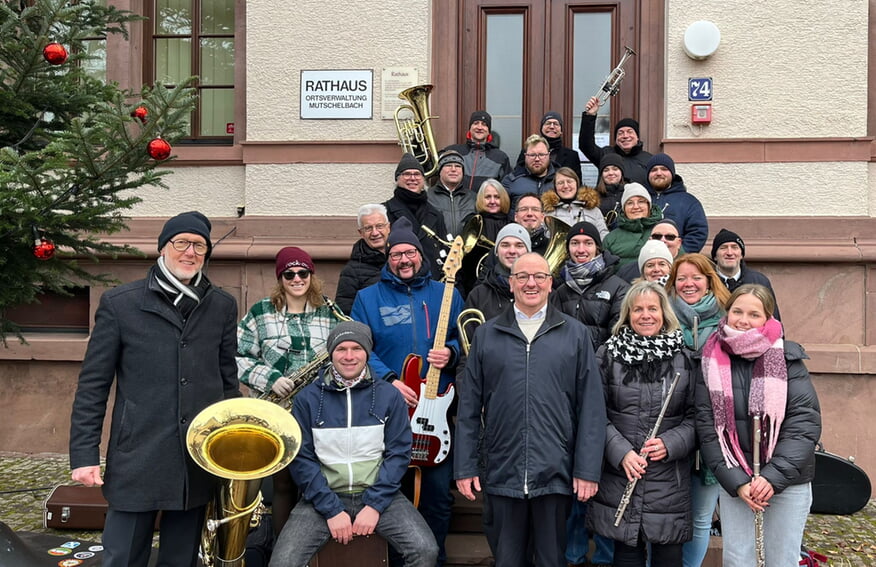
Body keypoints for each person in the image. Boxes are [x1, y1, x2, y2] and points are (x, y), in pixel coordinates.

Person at [69, 211, 240, 567]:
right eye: (181, 243)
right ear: (162, 248)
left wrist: (231, 444)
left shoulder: (222, 305)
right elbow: (93, 384)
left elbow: (227, 380)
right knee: (124, 557)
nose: (190, 252)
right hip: (138, 453)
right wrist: (84, 454)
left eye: (199, 246)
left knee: (181, 559)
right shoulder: (120, 304)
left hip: (196, 457)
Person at [455, 252, 606, 567]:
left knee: (551, 560)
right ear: (511, 284)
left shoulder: (575, 334)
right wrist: (465, 467)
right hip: (502, 472)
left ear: (550, 284)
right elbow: (469, 408)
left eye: (539, 276)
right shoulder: (486, 335)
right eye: (522, 276)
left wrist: (587, 469)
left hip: (555, 472)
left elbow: (592, 407)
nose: (531, 283)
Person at [268, 321, 438, 567]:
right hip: (322, 498)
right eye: (341, 349)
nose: (349, 356)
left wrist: (375, 505)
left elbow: (399, 454)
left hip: (380, 495)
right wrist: (331, 510)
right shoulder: (307, 399)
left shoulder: (389, 396)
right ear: (331, 353)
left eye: (356, 348)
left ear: (367, 352)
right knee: (282, 563)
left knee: (425, 551)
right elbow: (302, 459)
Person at [350, 216, 464, 566]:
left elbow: (464, 336)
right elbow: (357, 347)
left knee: (438, 498)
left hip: (436, 415)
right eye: (396, 254)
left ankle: (435, 559)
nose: (404, 260)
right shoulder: (368, 298)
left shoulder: (447, 293)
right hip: (389, 411)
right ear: (388, 258)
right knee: (391, 496)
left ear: (421, 255)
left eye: (410, 253)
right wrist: (389, 380)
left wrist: (452, 352)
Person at [697, 284, 821, 567]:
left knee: (783, 560)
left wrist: (772, 478)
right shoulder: (709, 360)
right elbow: (707, 430)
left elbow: (804, 423)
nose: (743, 320)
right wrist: (738, 483)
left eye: (754, 314)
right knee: (738, 559)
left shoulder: (788, 358)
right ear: (726, 313)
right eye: (737, 311)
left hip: (788, 480)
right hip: (737, 479)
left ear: (768, 318)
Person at [588, 281, 697, 567]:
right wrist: (621, 452)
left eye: (652, 308)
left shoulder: (684, 359)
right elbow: (594, 414)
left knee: (669, 558)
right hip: (622, 473)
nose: (645, 315)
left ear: (664, 313)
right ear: (627, 314)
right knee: (626, 555)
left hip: (668, 480)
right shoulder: (607, 355)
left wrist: (671, 443)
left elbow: (698, 417)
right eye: (638, 309)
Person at [237, 246, 344, 537]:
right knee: (283, 484)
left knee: (316, 481)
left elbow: (343, 357)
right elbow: (238, 355)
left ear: (311, 275)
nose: (297, 279)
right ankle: (282, 549)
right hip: (275, 409)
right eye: (289, 274)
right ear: (280, 278)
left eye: (303, 272)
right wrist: (270, 378)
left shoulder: (330, 311)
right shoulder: (261, 311)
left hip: (319, 409)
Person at [665, 253, 730, 567]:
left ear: (709, 280)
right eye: (681, 278)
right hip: (671, 431)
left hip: (712, 436)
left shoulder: (728, 320)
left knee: (702, 516)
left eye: (696, 277)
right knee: (663, 513)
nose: (688, 284)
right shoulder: (662, 317)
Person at [550, 221, 629, 349]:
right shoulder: (560, 291)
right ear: (568, 249)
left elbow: (618, 336)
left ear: (597, 248)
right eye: (575, 243)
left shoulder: (619, 288)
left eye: (588, 243)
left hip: (602, 364)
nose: (581, 250)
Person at [383, 152, 449, 279]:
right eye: (407, 174)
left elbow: (444, 251)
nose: (412, 178)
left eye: (417, 174)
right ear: (397, 179)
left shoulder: (436, 214)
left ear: (423, 180)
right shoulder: (385, 211)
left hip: (431, 282)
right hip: (397, 280)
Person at [579, 97, 653, 185]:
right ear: (616, 139)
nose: (625, 136)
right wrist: (590, 116)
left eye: (630, 132)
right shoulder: (606, 154)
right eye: (620, 133)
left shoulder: (649, 159)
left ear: (637, 137)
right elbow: (586, 145)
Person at [711, 228, 781, 319]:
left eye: (734, 247)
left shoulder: (759, 281)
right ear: (715, 256)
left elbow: (773, 319)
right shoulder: (706, 280)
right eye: (723, 248)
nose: (729, 252)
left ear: (741, 255)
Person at [645, 153, 708, 254]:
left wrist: (679, 255)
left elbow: (698, 232)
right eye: (654, 170)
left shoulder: (689, 202)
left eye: (664, 169)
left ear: (672, 173)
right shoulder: (639, 200)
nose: (658, 173)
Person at [457, 179, 511, 295]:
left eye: (497, 197)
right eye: (487, 197)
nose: (492, 201)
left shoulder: (511, 224)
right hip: (474, 284)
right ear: (481, 199)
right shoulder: (473, 222)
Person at [335, 204, 390, 314]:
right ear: (361, 233)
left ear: (388, 227)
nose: (375, 233)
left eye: (379, 226)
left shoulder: (402, 258)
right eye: (368, 228)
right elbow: (345, 311)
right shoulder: (351, 271)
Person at [443, 110, 512, 192]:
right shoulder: (452, 151)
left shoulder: (500, 157)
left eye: (484, 124)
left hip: (485, 204)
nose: (479, 127)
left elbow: (505, 190)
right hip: (455, 204)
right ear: (470, 128)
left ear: (488, 131)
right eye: (476, 123)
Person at [603, 183, 663, 267]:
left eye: (641, 201)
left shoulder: (663, 231)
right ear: (624, 208)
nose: (636, 207)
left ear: (648, 205)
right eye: (630, 203)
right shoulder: (611, 238)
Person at [541, 166, 609, 237]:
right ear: (555, 187)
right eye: (560, 183)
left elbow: (603, 236)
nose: (566, 186)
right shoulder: (547, 213)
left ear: (577, 184)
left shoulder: (594, 210)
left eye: (569, 181)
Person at [515, 111, 582, 181]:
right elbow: (517, 174)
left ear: (561, 130)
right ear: (541, 128)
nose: (552, 127)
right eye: (548, 123)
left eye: (556, 124)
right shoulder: (528, 151)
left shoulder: (572, 156)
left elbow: (577, 182)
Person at [427, 149, 476, 237]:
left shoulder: (473, 198)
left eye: (458, 166)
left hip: (465, 249)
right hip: (436, 248)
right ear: (440, 171)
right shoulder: (427, 197)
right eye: (448, 165)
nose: (453, 169)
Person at [616, 219, 682, 283]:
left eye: (670, 237)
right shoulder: (627, 272)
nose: (662, 240)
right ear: (650, 240)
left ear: (679, 243)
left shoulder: (688, 269)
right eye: (657, 236)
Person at [502, 134, 557, 205]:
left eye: (541, 155)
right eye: (532, 155)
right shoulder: (510, 180)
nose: (537, 159)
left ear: (549, 155)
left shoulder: (559, 180)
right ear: (525, 156)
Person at [595, 154, 628, 229]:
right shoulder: (593, 197)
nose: (610, 173)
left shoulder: (630, 193)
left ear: (621, 172)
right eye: (606, 170)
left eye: (615, 169)